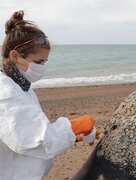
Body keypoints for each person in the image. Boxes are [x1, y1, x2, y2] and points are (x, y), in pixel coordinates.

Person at [0, 10, 100, 180]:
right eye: (38, 62)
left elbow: (26, 129)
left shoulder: (21, 86)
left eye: (44, 62)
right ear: (15, 56)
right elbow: (35, 141)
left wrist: (71, 137)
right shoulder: (6, 93)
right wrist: (73, 127)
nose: (42, 67)